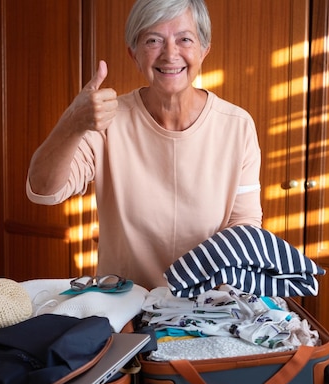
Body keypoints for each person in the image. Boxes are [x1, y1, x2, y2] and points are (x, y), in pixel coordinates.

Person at [26, 0, 262, 290]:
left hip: (205, 306)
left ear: (204, 50)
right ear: (134, 54)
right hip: (122, 308)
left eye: (185, 39)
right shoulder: (107, 121)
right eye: (153, 40)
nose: (170, 54)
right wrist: (71, 123)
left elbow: (245, 225)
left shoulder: (236, 125)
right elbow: (43, 191)